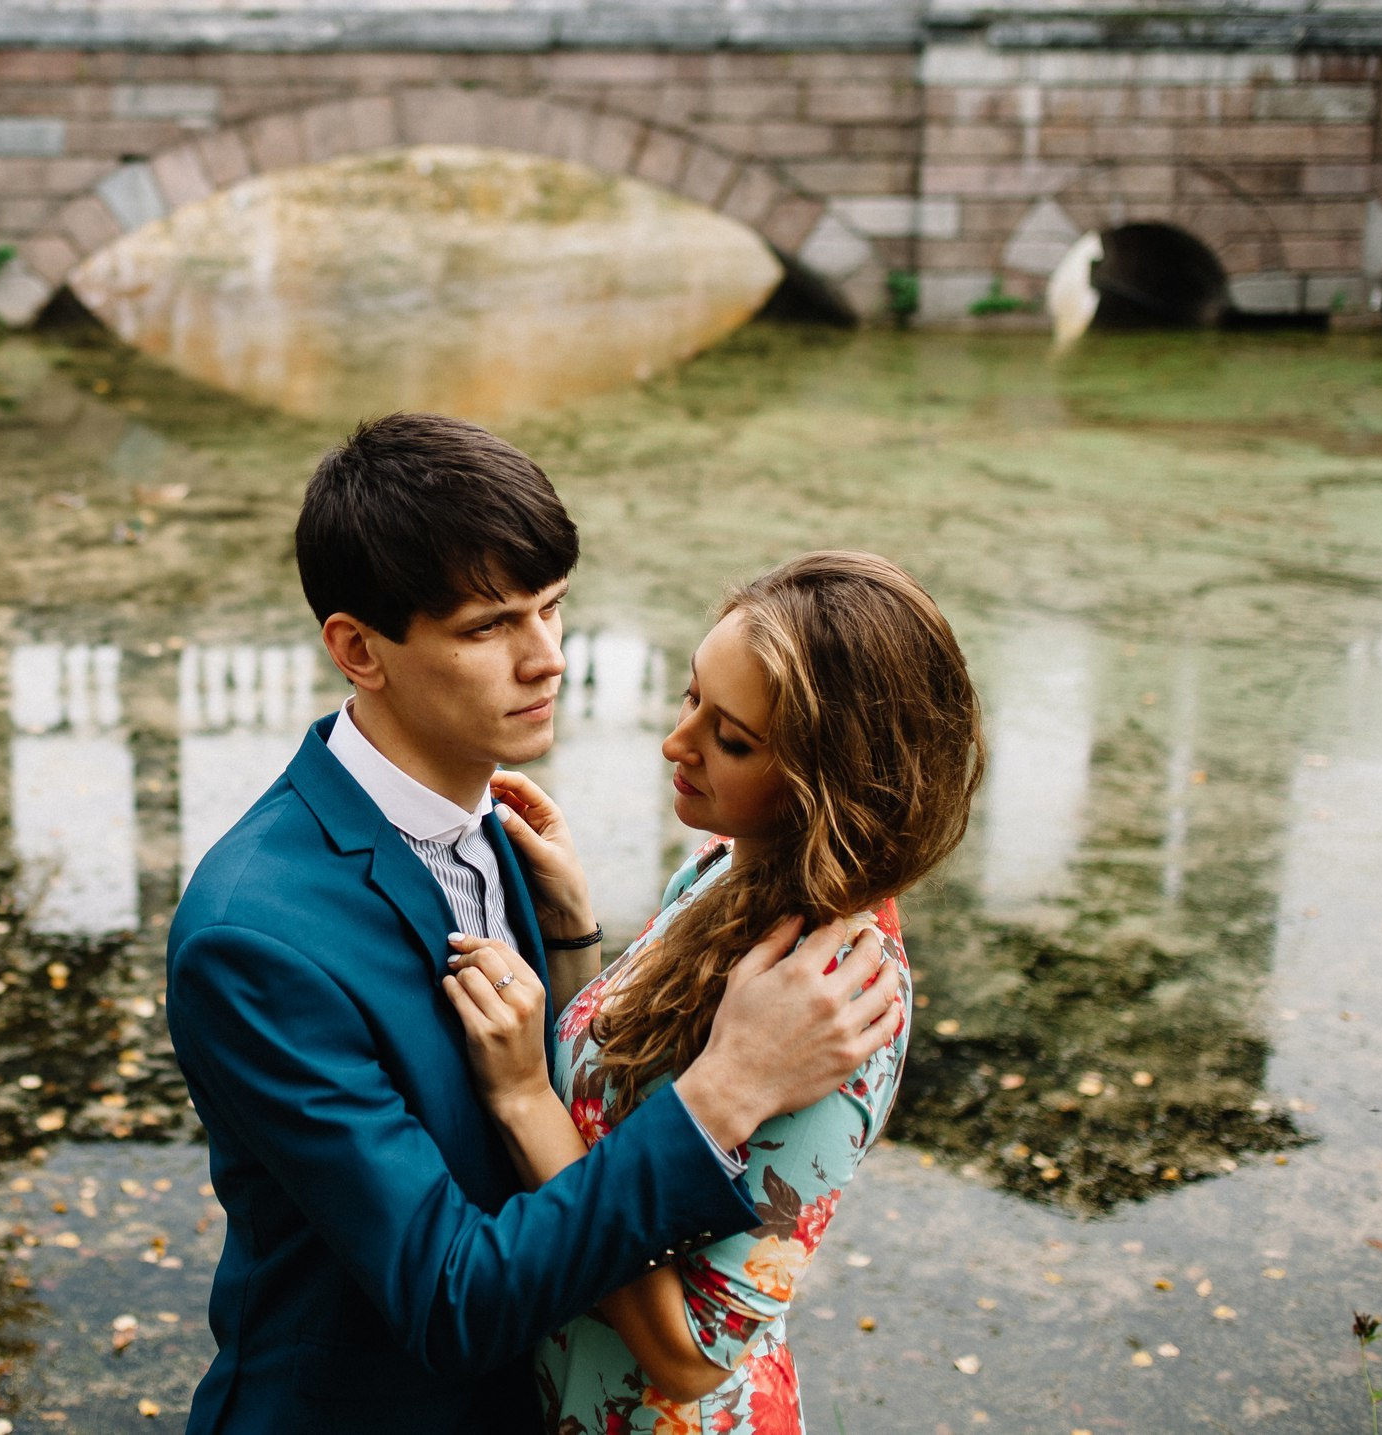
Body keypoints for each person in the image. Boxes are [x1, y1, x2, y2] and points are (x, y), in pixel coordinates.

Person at [165, 416, 905, 1435]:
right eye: (489, 627)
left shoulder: (506, 835)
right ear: (358, 649)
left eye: (553, 609)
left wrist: (569, 954)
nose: (546, 658)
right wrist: (726, 1089)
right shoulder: (253, 936)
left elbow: (554, 1110)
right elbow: (451, 1298)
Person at [445, 550, 984, 1433]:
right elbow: (623, 1095)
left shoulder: (840, 1001)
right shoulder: (724, 868)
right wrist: (576, 933)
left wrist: (519, 1095)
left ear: (833, 784)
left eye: (730, 738)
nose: (676, 742)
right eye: (693, 695)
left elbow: (690, 1353)